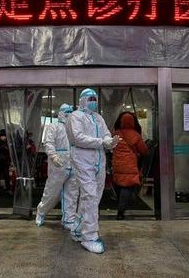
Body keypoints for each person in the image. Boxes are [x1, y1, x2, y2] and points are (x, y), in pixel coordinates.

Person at [66, 88, 120, 254]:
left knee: (94, 196)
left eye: (95, 98)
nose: (94, 101)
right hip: (82, 158)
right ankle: (89, 237)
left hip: (99, 159)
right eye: (90, 98)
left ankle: (78, 228)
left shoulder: (98, 118)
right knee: (89, 194)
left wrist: (111, 142)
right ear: (82, 100)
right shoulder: (75, 116)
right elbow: (78, 138)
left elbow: (106, 135)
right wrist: (102, 142)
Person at [35, 104, 79, 230]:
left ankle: (69, 219)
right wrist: (53, 156)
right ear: (60, 112)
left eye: (70, 112)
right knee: (52, 192)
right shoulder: (53, 126)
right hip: (58, 165)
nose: (68, 114)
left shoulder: (74, 128)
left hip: (74, 164)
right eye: (66, 111)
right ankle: (41, 212)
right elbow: (48, 143)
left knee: (72, 194)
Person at [112, 112, 149, 220]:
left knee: (120, 184)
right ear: (133, 122)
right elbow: (144, 151)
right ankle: (121, 211)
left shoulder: (116, 133)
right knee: (127, 186)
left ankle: (120, 205)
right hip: (130, 164)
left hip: (117, 163)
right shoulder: (135, 135)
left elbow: (111, 146)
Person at [0, 129, 12, 195]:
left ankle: (8, 189)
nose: (3, 137)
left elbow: (9, 151)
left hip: (5, 161)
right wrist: (3, 148)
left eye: (4, 136)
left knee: (6, 175)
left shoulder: (7, 143)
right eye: (2, 136)